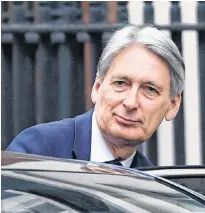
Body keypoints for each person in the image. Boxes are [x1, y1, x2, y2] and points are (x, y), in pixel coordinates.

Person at [7, 24, 185, 168]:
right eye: (121, 83)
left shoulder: (155, 188)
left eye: (150, 89)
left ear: (172, 105)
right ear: (97, 88)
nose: (131, 102)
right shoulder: (39, 150)